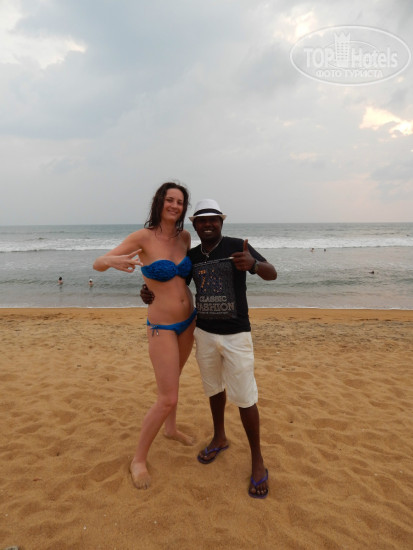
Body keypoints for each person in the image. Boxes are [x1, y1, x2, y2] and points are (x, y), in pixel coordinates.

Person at [141, 199, 277, 498]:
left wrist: (253, 264)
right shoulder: (193, 256)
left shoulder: (238, 246)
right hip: (203, 332)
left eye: (213, 219)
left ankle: (257, 460)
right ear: (195, 225)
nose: (207, 224)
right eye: (201, 220)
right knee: (214, 389)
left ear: (221, 222)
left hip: (237, 334)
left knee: (245, 398)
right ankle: (219, 438)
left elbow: (272, 273)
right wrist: (148, 290)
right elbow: (175, 284)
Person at [93, 182, 196, 490]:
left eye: (180, 202)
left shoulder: (185, 238)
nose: (175, 206)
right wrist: (112, 261)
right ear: (160, 202)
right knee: (168, 397)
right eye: (170, 200)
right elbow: (98, 264)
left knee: (174, 381)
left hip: (188, 321)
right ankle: (138, 459)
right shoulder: (142, 237)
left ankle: (171, 429)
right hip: (161, 327)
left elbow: (182, 279)